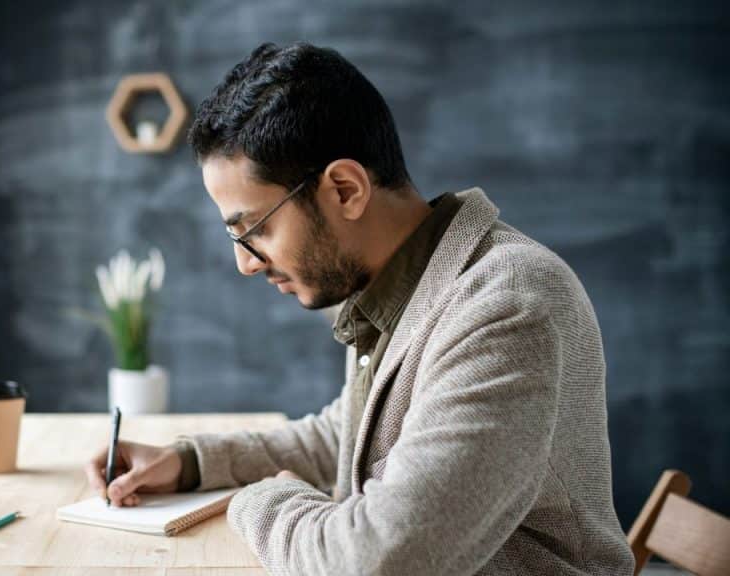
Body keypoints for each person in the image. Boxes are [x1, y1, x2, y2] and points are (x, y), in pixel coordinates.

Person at [84, 42, 635, 575]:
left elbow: (375, 563)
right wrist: (189, 463)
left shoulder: (508, 306)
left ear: (345, 189)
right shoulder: (404, 282)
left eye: (253, 229)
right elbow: (346, 437)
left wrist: (264, 501)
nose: (245, 263)